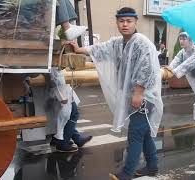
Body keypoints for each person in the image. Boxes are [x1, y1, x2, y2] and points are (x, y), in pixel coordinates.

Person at [69, 7, 163, 180]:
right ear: (117, 22)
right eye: (121, 21)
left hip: (144, 97)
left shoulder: (142, 42)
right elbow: (100, 49)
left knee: (135, 134)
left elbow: (147, 68)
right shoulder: (118, 43)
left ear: (136, 22)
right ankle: (152, 166)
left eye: (129, 21)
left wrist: (138, 93)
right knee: (144, 134)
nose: (125, 24)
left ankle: (127, 173)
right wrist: (79, 49)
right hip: (132, 95)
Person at [46, 67, 92, 152]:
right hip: (61, 93)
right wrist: (61, 97)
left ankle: (76, 139)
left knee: (65, 117)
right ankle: (63, 143)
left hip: (63, 90)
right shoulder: (53, 64)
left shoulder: (54, 65)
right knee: (72, 114)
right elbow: (53, 80)